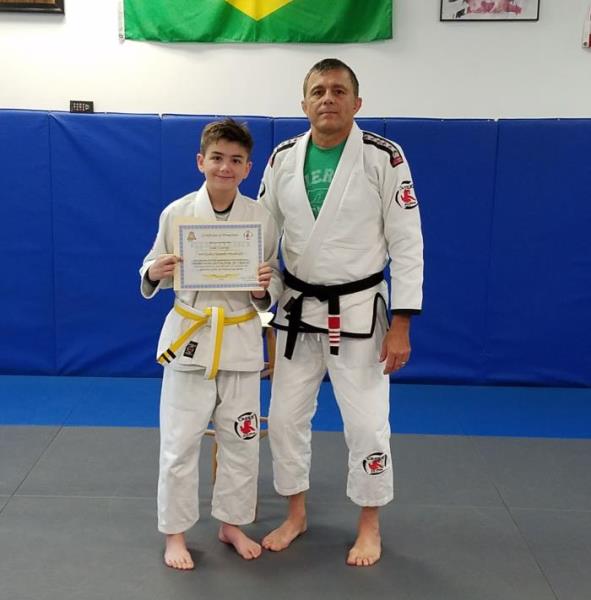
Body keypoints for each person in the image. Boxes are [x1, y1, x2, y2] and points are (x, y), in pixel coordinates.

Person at [258, 59, 423, 567]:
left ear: (357, 102)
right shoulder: (282, 158)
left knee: (368, 425)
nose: (327, 99)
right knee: (284, 420)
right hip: (296, 311)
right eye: (317, 91)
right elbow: (263, 237)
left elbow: (407, 242)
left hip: (359, 312)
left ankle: (369, 523)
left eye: (337, 90)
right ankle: (296, 513)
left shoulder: (384, 157)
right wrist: (259, 293)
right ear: (303, 103)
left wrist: (402, 323)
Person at [140, 118, 281, 570]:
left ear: (248, 168)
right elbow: (150, 265)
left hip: (240, 339)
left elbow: (273, 280)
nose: (225, 167)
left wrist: (263, 289)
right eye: (217, 158)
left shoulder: (262, 218)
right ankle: (175, 534)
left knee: (242, 440)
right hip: (191, 338)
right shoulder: (176, 213)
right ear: (201, 161)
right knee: (179, 442)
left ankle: (232, 524)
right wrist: (156, 271)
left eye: (236, 160)